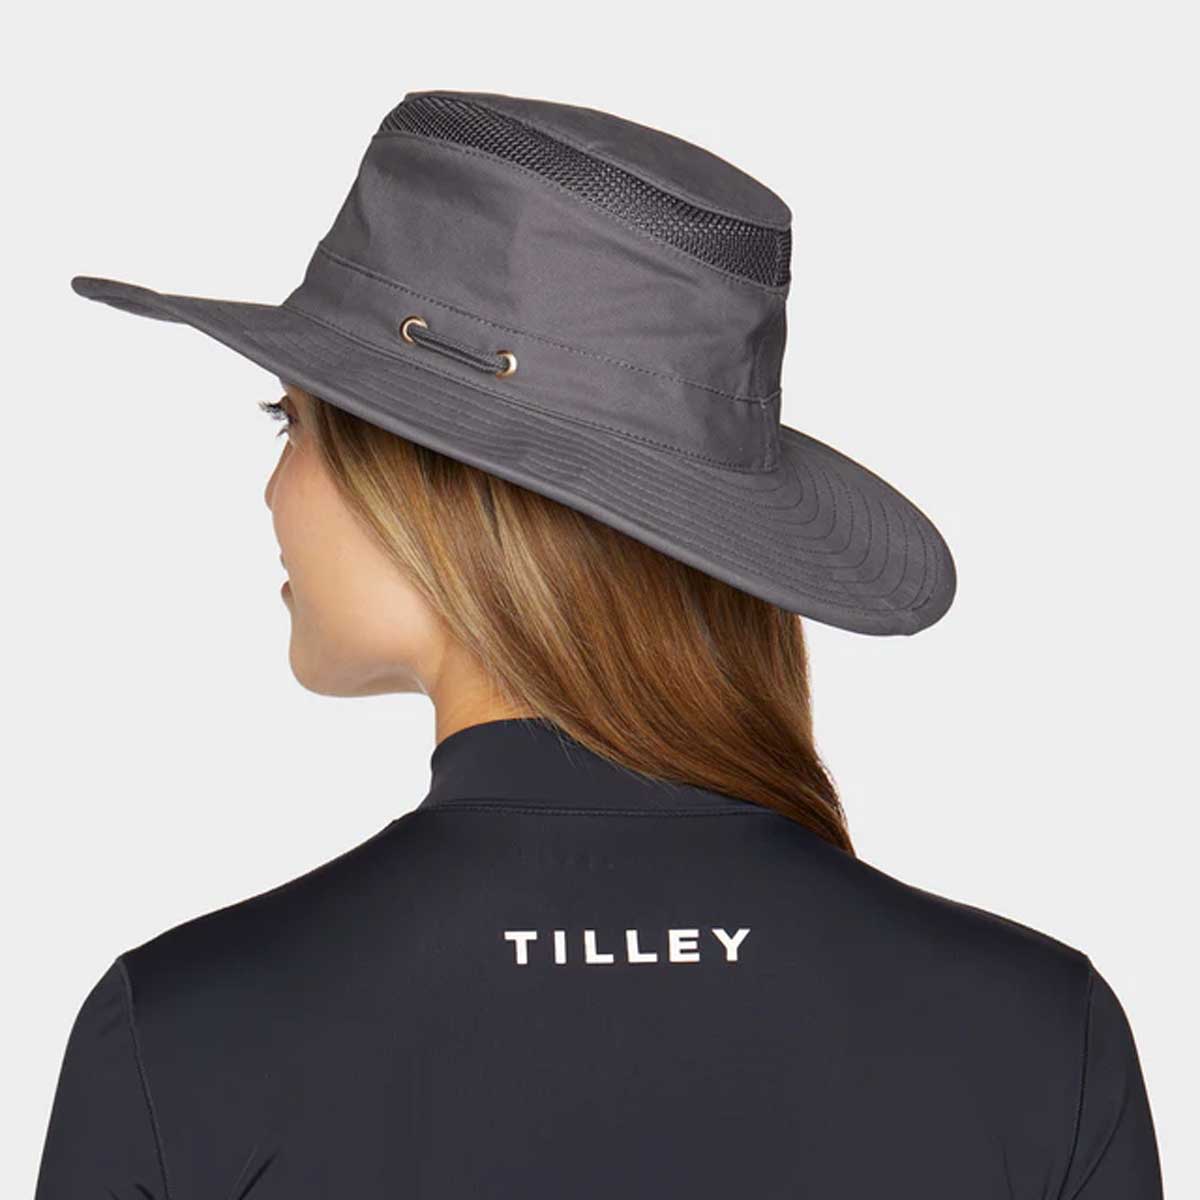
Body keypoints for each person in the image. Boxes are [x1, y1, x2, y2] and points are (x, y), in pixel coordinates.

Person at [36, 90, 1161, 1198]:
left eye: (292, 420)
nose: (274, 491)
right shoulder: (1043, 1038)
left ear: (429, 479)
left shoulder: (181, 1039)